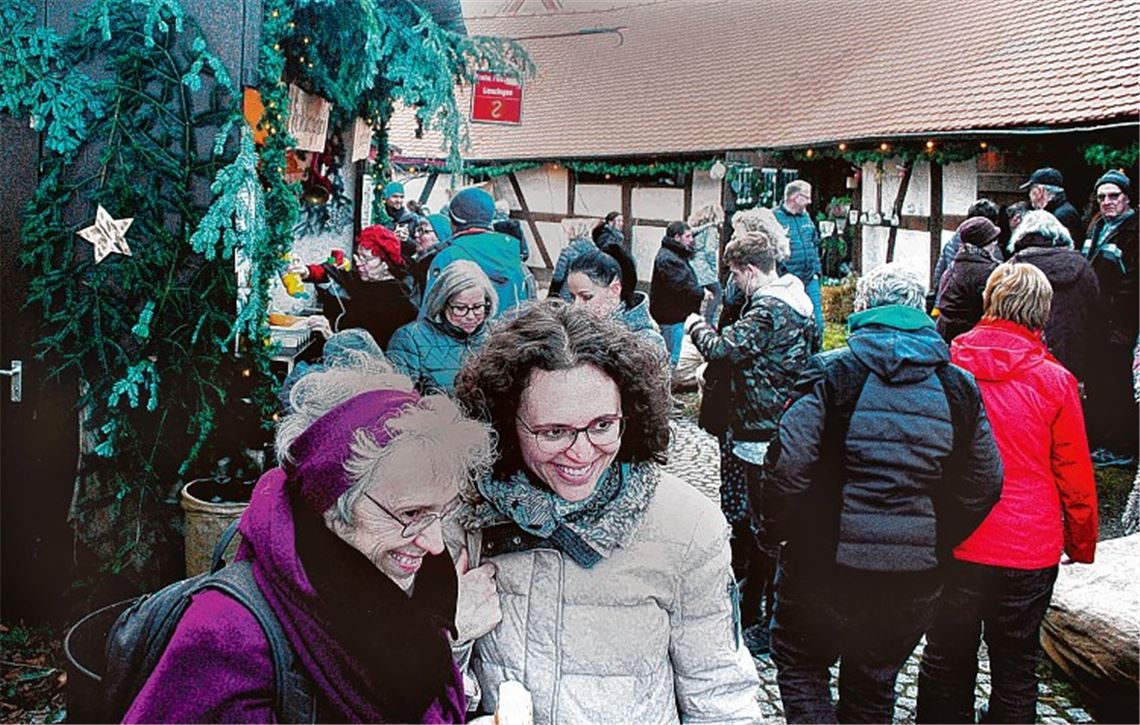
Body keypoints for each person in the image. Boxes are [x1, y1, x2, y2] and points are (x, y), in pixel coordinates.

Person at [124, 357, 496, 722]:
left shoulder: (415, 585)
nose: (433, 543)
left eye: (442, 512)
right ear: (330, 502)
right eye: (412, 514)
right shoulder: (228, 634)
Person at [451, 302, 761, 724]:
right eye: (553, 431)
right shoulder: (467, 514)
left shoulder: (687, 525)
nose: (581, 453)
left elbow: (720, 691)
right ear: (506, 423)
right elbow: (426, 692)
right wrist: (450, 632)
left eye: (601, 425)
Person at [761, 263, 1003, 724]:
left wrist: (773, 531)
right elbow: (986, 483)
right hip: (911, 575)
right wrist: (938, 537)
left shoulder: (832, 374)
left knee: (800, 664)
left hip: (823, 565)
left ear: (863, 309)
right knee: (873, 685)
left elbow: (788, 467)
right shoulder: (958, 386)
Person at [918, 262, 1098, 723]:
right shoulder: (1055, 381)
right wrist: (1080, 543)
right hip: (1027, 547)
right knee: (1016, 665)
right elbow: (1075, 473)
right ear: (1043, 312)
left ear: (990, 301)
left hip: (958, 538)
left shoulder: (950, 362)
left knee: (945, 655)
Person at [685, 221, 815, 657]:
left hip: (760, 428)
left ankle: (765, 619)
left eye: (736, 276)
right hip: (781, 420)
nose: (734, 285)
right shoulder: (800, 303)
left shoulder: (766, 310)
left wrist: (694, 326)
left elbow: (723, 349)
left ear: (751, 271)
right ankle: (756, 603)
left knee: (766, 529)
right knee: (763, 524)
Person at [1082, 169, 1138, 465]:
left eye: (1114, 195)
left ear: (1127, 198)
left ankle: (1122, 447)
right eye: (1102, 197)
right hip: (1095, 324)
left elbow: (1134, 283)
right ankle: (1103, 441)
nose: (1107, 202)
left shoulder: (1135, 231)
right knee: (1098, 384)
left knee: (1117, 385)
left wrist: (1117, 316)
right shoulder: (1096, 227)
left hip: (1119, 324)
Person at [1007, 209, 1101, 382]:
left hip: (1022, 360)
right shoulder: (1082, 267)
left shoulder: (1011, 269)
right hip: (1072, 359)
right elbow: (1096, 316)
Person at [289, 225, 418, 348]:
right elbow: (332, 274)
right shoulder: (364, 280)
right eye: (358, 256)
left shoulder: (397, 303)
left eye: (366, 259)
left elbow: (372, 355)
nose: (358, 263)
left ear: (385, 265)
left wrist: (330, 335)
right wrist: (305, 271)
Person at [388, 260, 498, 395]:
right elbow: (396, 397)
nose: (470, 316)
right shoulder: (410, 338)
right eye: (460, 308)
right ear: (442, 304)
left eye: (477, 307)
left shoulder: (497, 335)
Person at [423, 187, 533, 318]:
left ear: (454, 220)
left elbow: (430, 312)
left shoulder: (448, 257)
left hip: (461, 335)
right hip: (505, 335)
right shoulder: (513, 255)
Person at [566, 249, 664, 348]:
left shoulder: (647, 342)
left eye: (586, 297)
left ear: (614, 290)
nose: (576, 306)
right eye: (572, 297)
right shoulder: (576, 327)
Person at [774, 180, 824, 350]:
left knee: (817, 322)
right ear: (795, 197)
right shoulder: (775, 218)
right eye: (806, 197)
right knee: (791, 324)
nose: (810, 201)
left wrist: (817, 271)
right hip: (787, 281)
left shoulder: (806, 217)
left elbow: (814, 243)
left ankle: (817, 359)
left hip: (809, 279)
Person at [936, 217, 1001, 342]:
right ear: (985, 243)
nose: (995, 244)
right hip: (972, 339)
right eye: (993, 240)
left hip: (945, 335)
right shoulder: (991, 271)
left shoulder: (953, 267)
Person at [650, 221, 706, 368]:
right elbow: (682, 286)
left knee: (671, 356)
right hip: (671, 317)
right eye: (687, 236)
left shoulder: (675, 255)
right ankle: (665, 388)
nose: (691, 239)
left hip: (674, 314)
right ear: (677, 237)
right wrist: (701, 293)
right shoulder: (669, 259)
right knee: (671, 359)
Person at [932, 199, 1002, 309]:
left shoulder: (952, 242)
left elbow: (938, 275)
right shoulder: (990, 249)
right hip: (975, 310)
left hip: (947, 304)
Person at [1019, 167, 1085, 248]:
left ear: (1040, 191)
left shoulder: (1061, 215)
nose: (1029, 195)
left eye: (1031, 190)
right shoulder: (1059, 211)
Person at [688, 202, 726, 324]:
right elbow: (710, 251)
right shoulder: (712, 229)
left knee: (696, 295)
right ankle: (708, 321)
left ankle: (693, 319)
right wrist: (714, 269)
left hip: (694, 263)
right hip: (704, 265)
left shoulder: (696, 228)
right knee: (718, 292)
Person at [547, 218, 600, 300]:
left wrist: (551, 295)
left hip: (568, 295)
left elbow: (558, 277)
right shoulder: (596, 252)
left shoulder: (567, 252)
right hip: (589, 295)